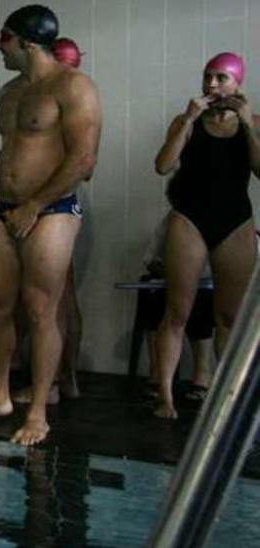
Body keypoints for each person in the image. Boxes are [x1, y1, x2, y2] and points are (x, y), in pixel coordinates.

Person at [0, 5, 102, 446]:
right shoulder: (10, 91)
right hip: (4, 208)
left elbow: (83, 158)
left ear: (26, 41)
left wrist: (36, 204)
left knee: (42, 309)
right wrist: (17, 203)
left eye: (3, 38)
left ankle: (39, 411)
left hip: (52, 209)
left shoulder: (74, 86)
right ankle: (0, 396)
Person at [150, 52, 259, 419]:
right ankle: (164, 398)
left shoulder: (253, 122)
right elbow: (163, 165)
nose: (212, 85)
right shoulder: (186, 121)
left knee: (229, 316)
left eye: (221, 78)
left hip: (235, 222)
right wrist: (190, 120)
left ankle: (225, 397)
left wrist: (248, 125)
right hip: (190, 219)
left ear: (237, 83)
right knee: (176, 312)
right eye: (208, 77)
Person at [138, 214, 216, 403]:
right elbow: (150, 259)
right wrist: (174, 271)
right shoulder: (172, 221)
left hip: (208, 285)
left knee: (202, 299)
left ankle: (202, 375)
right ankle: (157, 374)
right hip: (171, 282)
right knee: (154, 295)